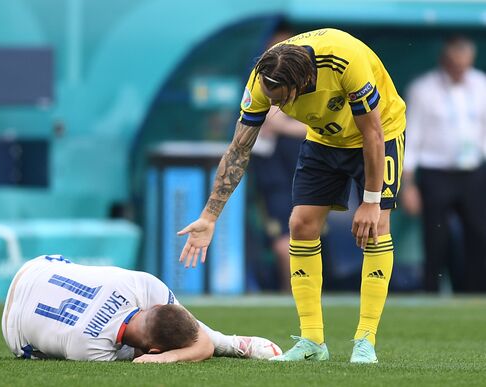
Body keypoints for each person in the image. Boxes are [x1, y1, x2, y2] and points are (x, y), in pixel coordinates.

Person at [177, 28, 406, 364]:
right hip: (324, 140)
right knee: (300, 224)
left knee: (376, 229)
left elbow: (372, 132)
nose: (275, 105)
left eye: (281, 99)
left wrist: (371, 201)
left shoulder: (344, 61)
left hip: (380, 133)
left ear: (303, 82)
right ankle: (313, 340)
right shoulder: (262, 80)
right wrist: (209, 217)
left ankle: (365, 341)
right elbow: (239, 149)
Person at [2, 255, 282, 363]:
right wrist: (166, 359)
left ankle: (234, 343)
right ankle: (233, 343)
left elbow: (191, 334)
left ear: (156, 305)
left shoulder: (140, 284)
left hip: (37, 267)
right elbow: (201, 346)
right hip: (13, 330)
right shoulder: (90, 349)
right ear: (155, 349)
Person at [402, 35, 486, 293]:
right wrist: (408, 185)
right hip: (436, 172)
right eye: (455, 64)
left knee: (479, 234)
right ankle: (432, 291)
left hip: (473, 171)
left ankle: (474, 293)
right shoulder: (423, 89)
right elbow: (412, 136)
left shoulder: (481, 84)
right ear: (445, 60)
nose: (460, 70)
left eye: (465, 65)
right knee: (436, 238)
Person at [251, 23, 308, 292]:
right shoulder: (260, 85)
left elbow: (314, 127)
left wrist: (284, 125)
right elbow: (257, 126)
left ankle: (305, 293)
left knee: (305, 236)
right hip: (274, 179)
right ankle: (290, 293)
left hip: (302, 173)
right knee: (283, 240)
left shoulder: (310, 88)